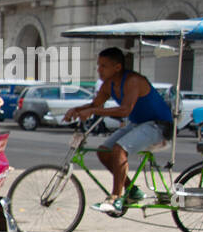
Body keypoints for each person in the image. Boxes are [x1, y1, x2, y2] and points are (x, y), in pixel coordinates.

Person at [64, 47, 173, 215]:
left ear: (117, 67)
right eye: (98, 65)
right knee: (103, 151)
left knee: (119, 150)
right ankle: (132, 190)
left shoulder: (133, 81)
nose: (99, 70)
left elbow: (125, 110)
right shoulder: (109, 84)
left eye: (104, 66)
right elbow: (96, 104)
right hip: (138, 124)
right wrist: (76, 110)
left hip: (158, 126)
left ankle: (115, 198)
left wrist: (93, 112)